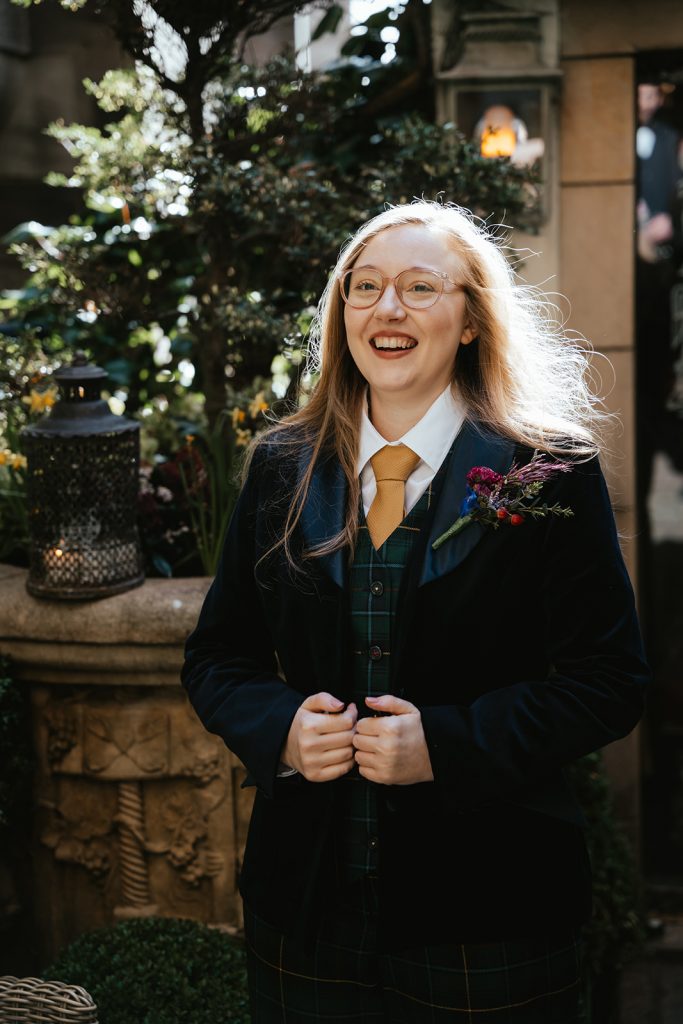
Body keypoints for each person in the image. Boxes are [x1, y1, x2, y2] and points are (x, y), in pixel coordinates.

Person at [181, 201, 649, 1022]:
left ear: (470, 319)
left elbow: (607, 682)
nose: (385, 308)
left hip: (491, 911)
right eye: (363, 287)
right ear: (342, 313)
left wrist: (448, 744)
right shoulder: (282, 465)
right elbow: (218, 658)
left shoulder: (543, 473)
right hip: (308, 912)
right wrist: (281, 726)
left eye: (418, 287)